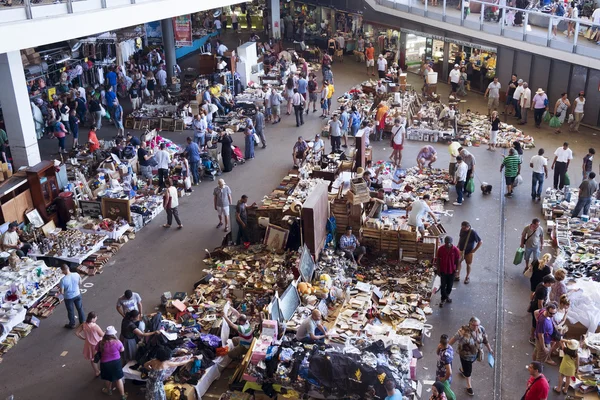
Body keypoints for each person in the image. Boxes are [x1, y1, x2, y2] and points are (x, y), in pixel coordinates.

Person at [448, 317, 493, 397]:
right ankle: (469, 386)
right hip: (465, 356)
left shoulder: (481, 329)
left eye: (478, 325)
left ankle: (463, 369)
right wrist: (446, 347)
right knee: (468, 371)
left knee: (467, 366)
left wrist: (490, 349)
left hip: (476, 353)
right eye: (474, 325)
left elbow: (485, 340)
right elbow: (454, 339)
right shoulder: (463, 331)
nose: (476, 327)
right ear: (470, 324)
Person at [97, 326, 127, 399]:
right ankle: (123, 396)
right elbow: (122, 350)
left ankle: (109, 391)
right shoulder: (118, 342)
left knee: (108, 378)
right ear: (113, 334)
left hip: (105, 363)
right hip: (116, 363)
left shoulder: (101, 343)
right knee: (118, 379)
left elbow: (97, 350)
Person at [74, 312, 104, 377]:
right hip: (97, 344)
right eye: (96, 318)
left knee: (93, 359)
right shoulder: (95, 326)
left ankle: (97, 371)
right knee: (103, 356)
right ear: (92, 319)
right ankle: (104, 368)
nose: (96, 319)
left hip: (89, 345)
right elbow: (102, 335)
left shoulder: (84, 324)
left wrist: (83, 338)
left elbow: (76, 333)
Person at [529, 274, 555, 345]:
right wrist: (542, 311)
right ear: (547, 283)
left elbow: (534, 293)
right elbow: (540, 303)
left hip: (534, 304)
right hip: (536, 307)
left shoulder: (541, 284)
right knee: (534, 324)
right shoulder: (542, 290)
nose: (552, 284)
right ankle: (532, 338)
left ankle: (533, 335)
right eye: (551, 283)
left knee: (535, 323)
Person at [436, 236, 460, 307]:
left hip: (452, 270)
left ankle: (446, 296)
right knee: (443, 285)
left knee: (449, 286)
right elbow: (438, 259)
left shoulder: (455, 250)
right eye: (446, 243)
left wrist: (457, 270)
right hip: (443, 270)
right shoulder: (441, 249)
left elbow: (457, 260)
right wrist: (438, 269)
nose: (447, 244)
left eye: (449, 243)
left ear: (451, 243)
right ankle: (443, 298)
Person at [59, 264, 84, 329]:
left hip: (68, 297)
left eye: (62, 271)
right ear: (68, 268)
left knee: (70, 311)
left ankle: (72, 324)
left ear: (63, 270)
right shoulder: (76, 274)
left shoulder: (63, 280)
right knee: (80, 308)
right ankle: (82, 321)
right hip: (77, 294)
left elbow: (62, 292)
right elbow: (80, 283)